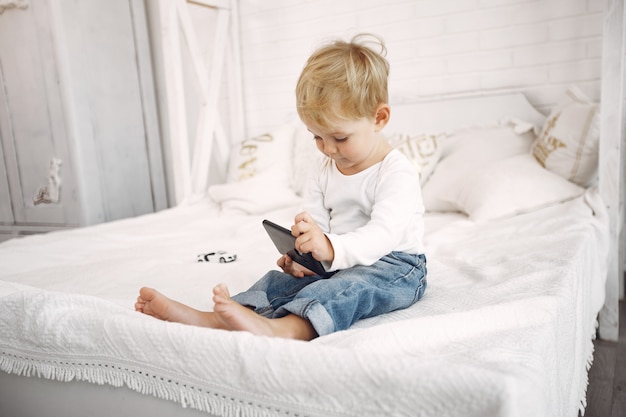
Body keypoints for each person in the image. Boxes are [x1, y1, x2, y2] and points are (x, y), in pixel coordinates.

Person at [135, 33, 427, 341]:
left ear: (379, 118)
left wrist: (330, 249)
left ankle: (287, 328)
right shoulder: (323, 168)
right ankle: (218, 319)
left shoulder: (396, 173)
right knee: (277, 283)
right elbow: (319, 222)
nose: (327, 149)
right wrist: (308, 255)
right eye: (317, 137)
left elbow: (382, 236)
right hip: (338, 261)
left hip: (395, 266)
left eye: (340, 138)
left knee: (349, 288)